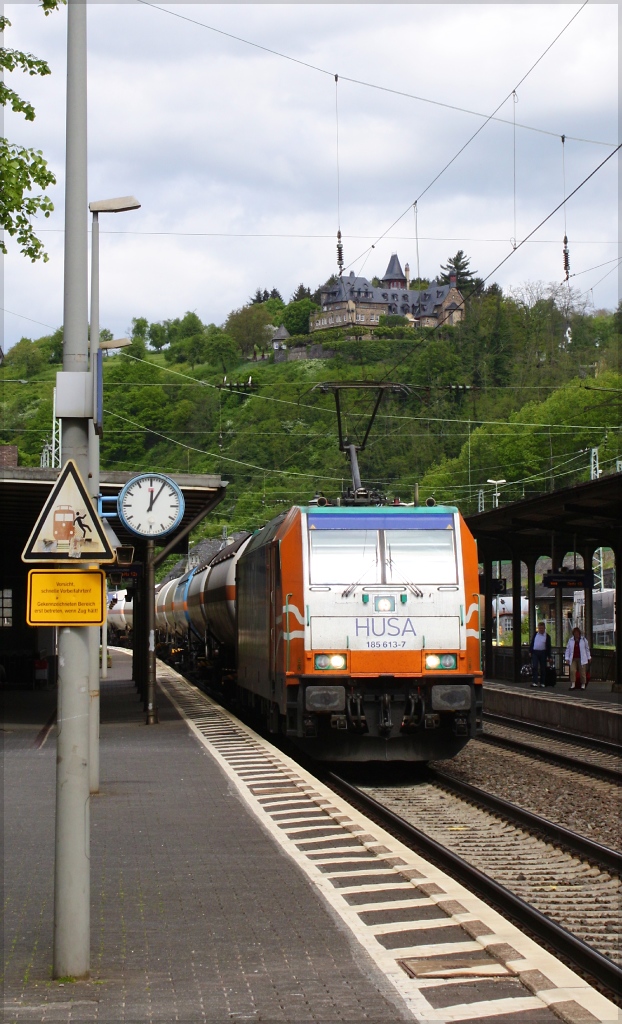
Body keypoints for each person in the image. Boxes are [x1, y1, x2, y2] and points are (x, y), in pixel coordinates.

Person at [529, 621, 551, 688]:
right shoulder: (535, 635)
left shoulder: (547, 636)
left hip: (543, 652)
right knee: (535, 666)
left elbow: (548, 646)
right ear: (538, 628)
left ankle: (542, 682)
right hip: (535, 652)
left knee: (543, 668)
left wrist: (549, 656)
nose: (541, 630)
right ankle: (535, 682)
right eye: (540, 628)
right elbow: (532, 643)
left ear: (544, 628)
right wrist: (530, 651)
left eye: (542, 628)